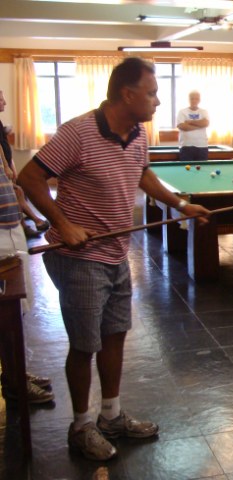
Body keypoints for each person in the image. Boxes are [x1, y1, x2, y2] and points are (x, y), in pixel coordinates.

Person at [18, 57, 210, 461]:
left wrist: (180, 204)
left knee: (115, 334)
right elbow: (29, 177)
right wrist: (63, 224)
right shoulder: (78, 132)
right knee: (84, 345)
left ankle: (111, 416)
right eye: (152, 93)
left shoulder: (138, 132)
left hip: (117, 253)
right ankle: (80, 426)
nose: (158, 101)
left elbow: (142, 174)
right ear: (127, 94)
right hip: (79, 257)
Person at [0, 145, 54, 404]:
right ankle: (14, 382)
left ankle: (16, 373)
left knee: (17, 310)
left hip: (10, 227)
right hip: (1, 234)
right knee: (7, 313)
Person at [0, 90, 50, 238]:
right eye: (1, 100)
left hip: (7, 167)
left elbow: (5, 146)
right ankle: (33, 222)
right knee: (17, 193)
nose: (5, 103)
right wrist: (6, 166)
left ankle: (30, 223)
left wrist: (11, 165)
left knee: (18, 193)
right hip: (3, 169)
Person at [176, 90, 210, 161]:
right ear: (189, 99)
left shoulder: (204, 112)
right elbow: (182, 126)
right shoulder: (182, 112)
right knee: (187, 168)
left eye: (196, 98)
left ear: (199, 100)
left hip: (202, 146)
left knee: (202, 167)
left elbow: (206, 123)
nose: (194, 100)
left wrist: (190, 122)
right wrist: (199, 125)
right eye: (192, 98)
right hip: (186, 146)